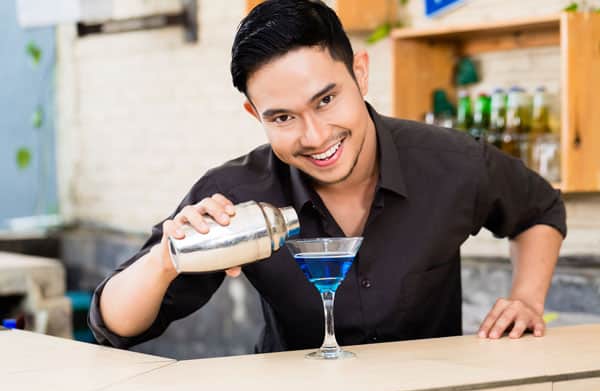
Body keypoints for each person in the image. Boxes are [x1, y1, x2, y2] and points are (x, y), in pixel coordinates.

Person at [89, 0, 566, 352]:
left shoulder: (450, 161)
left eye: (326, 100)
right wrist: (166, 259)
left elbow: (539, 208)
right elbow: (114, 325)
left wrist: (526, 298)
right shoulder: (237, 194)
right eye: (282, 118)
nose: (315, 136)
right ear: (254, 114)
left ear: (360, 73)